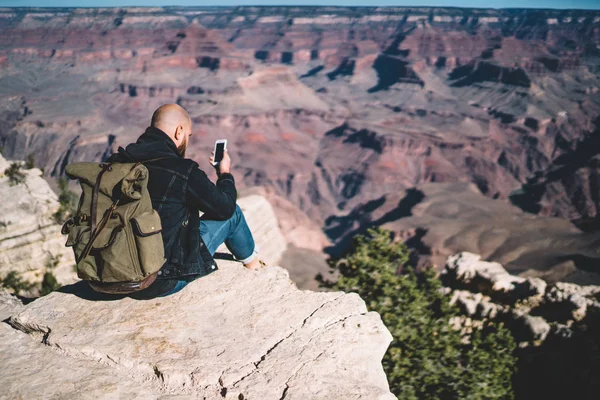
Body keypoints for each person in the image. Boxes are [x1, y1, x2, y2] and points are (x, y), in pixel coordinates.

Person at [104, 103, 263, 298]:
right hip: (160, 281)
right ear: (179, 132)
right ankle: (255, 267)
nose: (186, 140)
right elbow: (224, 209)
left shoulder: (117, 162)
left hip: (111, 274)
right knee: (234, 214)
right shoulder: (182, 170)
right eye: (188, 136)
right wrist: (224, 173)